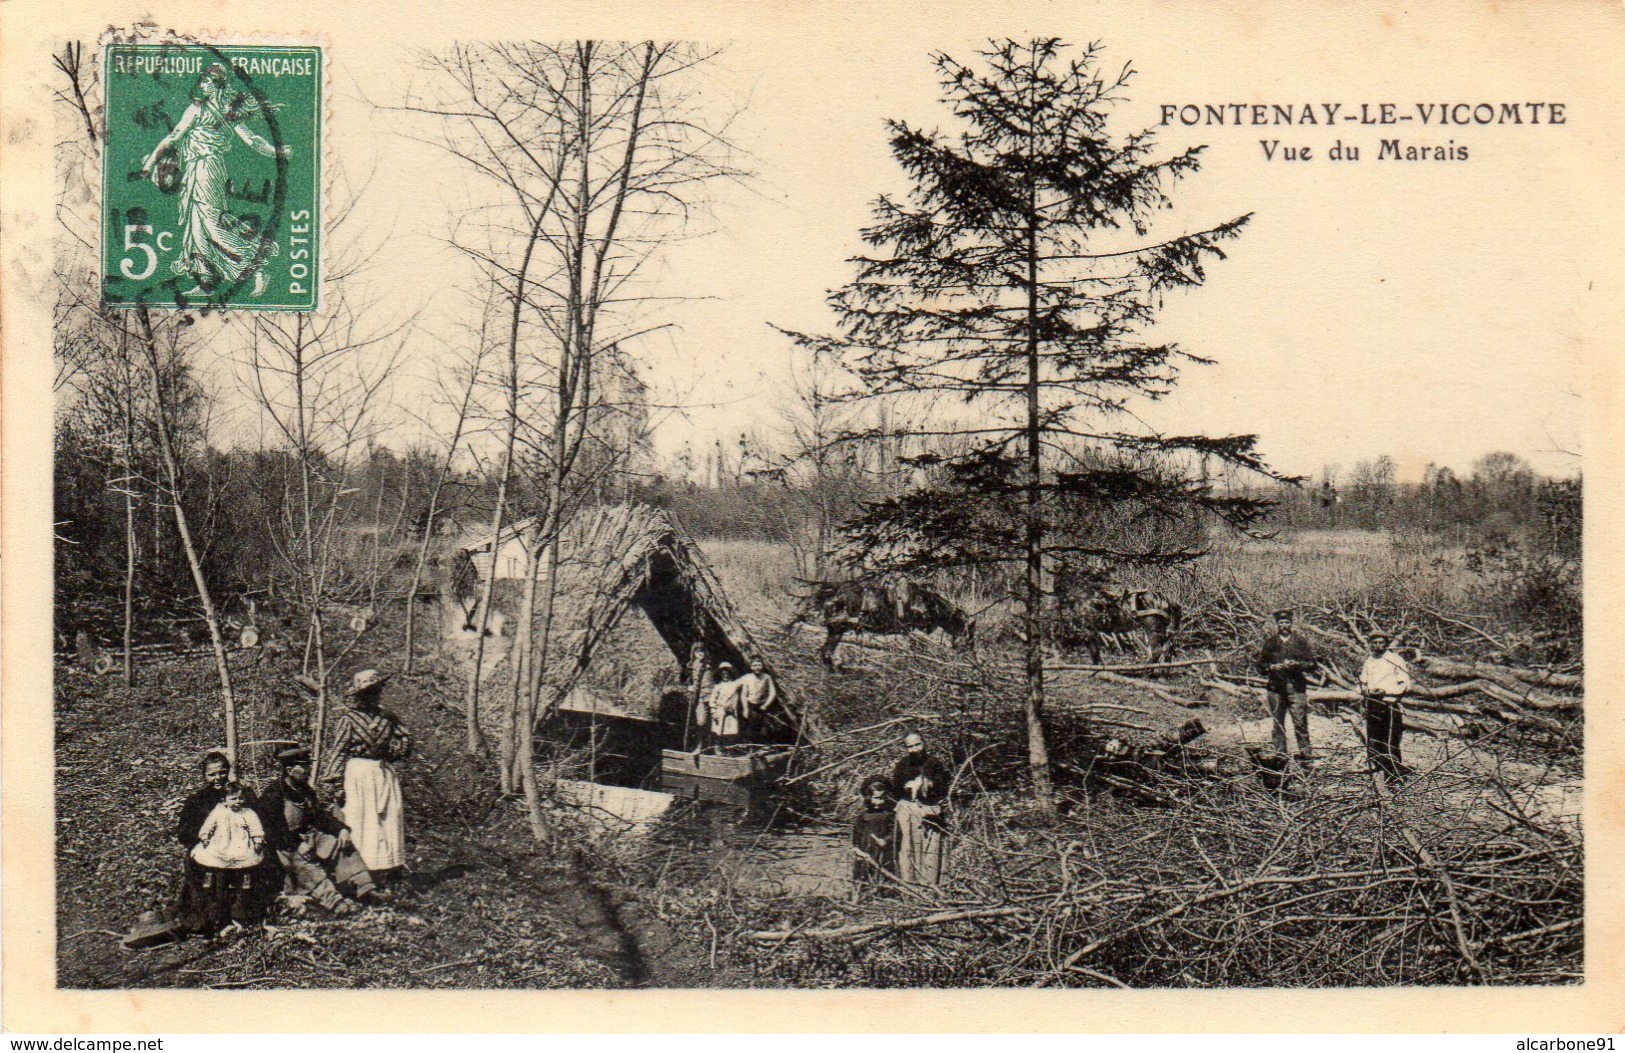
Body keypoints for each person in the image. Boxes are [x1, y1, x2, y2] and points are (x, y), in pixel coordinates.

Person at [138, 62, 289, 297]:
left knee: (210, 222)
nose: (202, 85)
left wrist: (278, 152)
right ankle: (207, 280)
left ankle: (258, 266)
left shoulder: (206, 109)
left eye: (207, 81)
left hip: (207, 168)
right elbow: (174, 137)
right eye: (202, 81)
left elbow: (252, 140)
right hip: (195, 169)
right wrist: (149, 165)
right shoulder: (205, 108)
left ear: (218, 84)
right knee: (196, 223)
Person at [259, 746, 381, 915]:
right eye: (304, 766)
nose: (309, 770)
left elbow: (319, 817)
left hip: (308, 835)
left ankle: (365, 888)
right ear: (289, 770)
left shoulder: (306, 790)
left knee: (339, 844)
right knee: (303, 863)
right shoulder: (273, 794)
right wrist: (297, 845)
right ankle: (334, 902)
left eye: (308, 765)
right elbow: (271, 830)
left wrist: (341, 830)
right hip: (284, 844)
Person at [321, 669, 410, 881]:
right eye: (369, 692)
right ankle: (362, 871)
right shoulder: (349, 719)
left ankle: (389, 868)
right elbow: (339, 750)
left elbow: (405, 738)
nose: (374, 696)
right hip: (357, 774)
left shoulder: (386, 716)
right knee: (361, 819)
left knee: (388, 817)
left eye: (376, 691)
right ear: (359, 695)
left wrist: (392, 753)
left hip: (382, 772)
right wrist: (335, 782)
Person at [188, 781, 267, 934]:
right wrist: (205, 836)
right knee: (219, 882)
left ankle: (241, 916)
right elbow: (208, 825)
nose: (238, 802)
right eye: (233, 799)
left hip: (241, 847)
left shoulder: (248, 813)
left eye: (240, 798)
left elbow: (256, 827)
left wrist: (257, 840)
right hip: (221, 847)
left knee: (245, 881)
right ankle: (219, 917)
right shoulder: (218, 812)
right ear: (224, 800)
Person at [1256, 608, 1319, 764]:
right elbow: (1260, 665)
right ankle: (1280, 755)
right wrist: (1272, 667)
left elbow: (1312, 663)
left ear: (1291, 623)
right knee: (1278, 722)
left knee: (1300, 721)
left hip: (1296, 687)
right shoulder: (1270, 643)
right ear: (1277, 624)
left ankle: (1305, 755)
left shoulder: (1300, 641)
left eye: (1287, 622)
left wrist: (1298, 664)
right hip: (1275, 688)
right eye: (1281, 622)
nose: (1284, 625)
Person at [891, 733, 950, 886]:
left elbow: (943, 787)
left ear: (924, 743)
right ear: (905, 748)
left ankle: (930, 886)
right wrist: (906, 787)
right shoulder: (901, 765)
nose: (915, 749)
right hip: (907, 813)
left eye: (918, 744)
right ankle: (909, 886)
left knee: (930, 851)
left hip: (929, 811)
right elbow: (895, 790)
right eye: (910, 746)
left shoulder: (935, 763)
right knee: (907, 848)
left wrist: (926, 783)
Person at [1358, 631, 1414, 780]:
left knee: (1391, 739)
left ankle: (1394, 773)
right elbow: (1363, 681)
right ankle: (1377, 770)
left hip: (1389, 704)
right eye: (1374, 643)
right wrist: (1366, 692)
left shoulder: (1395, 659)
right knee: (1373, 738)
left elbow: (1405, 684)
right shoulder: (1369, 660)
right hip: (1372, 704)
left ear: (1386, 643)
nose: (1378, 646)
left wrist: (1387, 692)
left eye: (1381, 643)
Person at [850, 776, 898, 892]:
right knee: (864, 872)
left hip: (883, 850)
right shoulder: (863, 816)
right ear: (868, 797)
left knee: (884, 871)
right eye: (876, 798)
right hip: (866, 849)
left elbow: (894, 832)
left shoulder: (889, 815)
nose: (879, 802)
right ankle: (863, 892)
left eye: (882, 798)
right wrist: (857, 849)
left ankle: (884, 892)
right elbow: (857, 834)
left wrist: (886, 840)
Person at [703, 661, 746, 749]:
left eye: (727, 673)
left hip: (731, 713)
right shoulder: (718, 686)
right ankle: (718, 749)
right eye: (723, 674)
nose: (725, 676)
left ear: (731, 674)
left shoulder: (735, 684)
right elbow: (712, 700)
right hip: (719, 712)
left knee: (730, 733)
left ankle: (729, 750)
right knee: (718, 733)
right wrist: (713, 712)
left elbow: (746, 680)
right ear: (721, 675)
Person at [736, 656, 779, 737]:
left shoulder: (766, 677)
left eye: (759, 665)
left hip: (762, 706)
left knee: (763, 729)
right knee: (750, 727)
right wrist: (745, 708)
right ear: (751, 667)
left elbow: (773, 692)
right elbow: (743, 694)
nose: (757, 668)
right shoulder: (747, 677)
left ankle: (762, 746)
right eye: (754, 665)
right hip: (751, 706)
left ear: (762, 666)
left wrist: (766, 705)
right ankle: (751, 747)